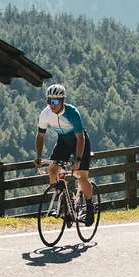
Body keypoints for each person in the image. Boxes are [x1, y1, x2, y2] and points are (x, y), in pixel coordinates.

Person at [33, 83, 95, 224]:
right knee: (53, 169)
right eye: (49, 101)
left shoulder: (72, 112)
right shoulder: (45, 113)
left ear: (63, 101)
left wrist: (78, 159)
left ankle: (90, 206)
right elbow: (40, 136)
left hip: (79, 142)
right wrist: (38, 157)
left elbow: (80, 138)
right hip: (63, 142)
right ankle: (63, 203)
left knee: (81, 176)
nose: (52, 105)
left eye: (55, 101)